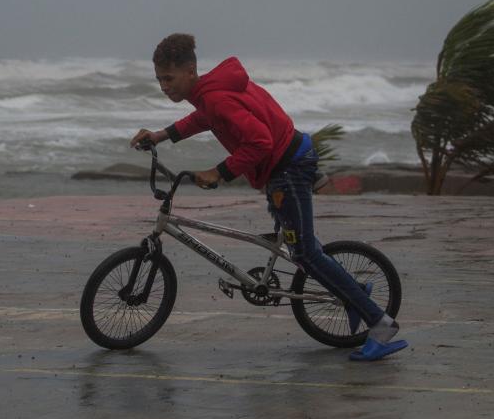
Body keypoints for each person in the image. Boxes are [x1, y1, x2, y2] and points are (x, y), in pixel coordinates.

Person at [130, 33, 407, 361]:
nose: (164, 85)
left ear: (190, 71)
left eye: (169, 78)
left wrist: (220, 172)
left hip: (287, 168)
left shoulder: (216, 97)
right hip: (288, 160)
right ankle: (353, 291)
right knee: (302, 246)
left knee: (305, 254)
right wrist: (162, 135)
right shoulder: (210, 93)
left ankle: (380, 324)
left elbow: (259, 141)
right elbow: (204, 118)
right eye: (159, 79)